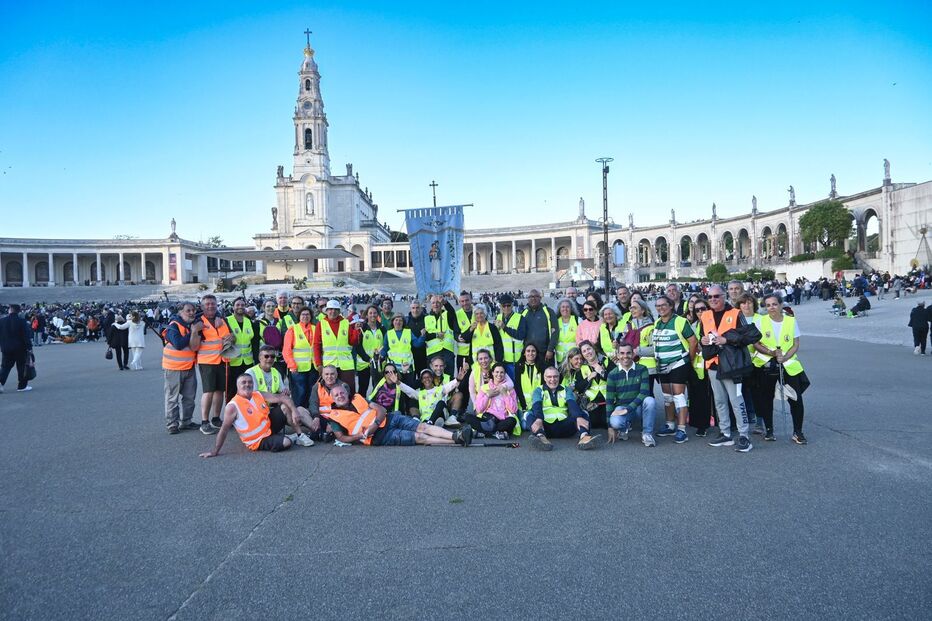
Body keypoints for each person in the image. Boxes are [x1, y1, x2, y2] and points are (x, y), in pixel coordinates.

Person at [698, 285, 762, 453]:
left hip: (732, 365)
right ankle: (725, 432)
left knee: (736, 400)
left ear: (724, 296)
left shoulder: (735, 313)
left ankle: (744, 435)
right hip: (713, 364)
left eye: (716, 296)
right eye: (710, 297)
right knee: (719, 401)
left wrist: (727, 340)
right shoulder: (705, 315)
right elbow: (702, 337)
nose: (713, 299)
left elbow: (748, 336)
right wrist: (703, 341)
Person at [323, 383, 473, 446]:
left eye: (342, 392)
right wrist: (359, 436)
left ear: (346, 392)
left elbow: (381, 409)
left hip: (389, 419)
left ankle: (455, 435)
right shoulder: (334, 416)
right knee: (420, 438)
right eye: (336, 395)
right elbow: (341, 437)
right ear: (332, 398)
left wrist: (375, 424)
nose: (340, 396)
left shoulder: (357, 397)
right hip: (380, 437)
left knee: (423, 427)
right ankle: (457, 440)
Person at [198, 374, 308, 457]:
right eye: (243, 382)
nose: (247, 384)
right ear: (237, 386)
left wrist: (294, 411)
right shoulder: (232, 406)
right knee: (286, 442)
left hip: (268, 428)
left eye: (250, 382)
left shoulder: (257, 394)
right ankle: (290, 438)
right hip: (257, 440)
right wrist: (215, 451)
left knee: (285, 406)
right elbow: (224, 430)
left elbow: (282, 397)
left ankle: (300, 435)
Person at [751, 294, 809, 444]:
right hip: (767, 363)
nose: (772, 307)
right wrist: (771, 353)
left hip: (787, 363)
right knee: (766, 398)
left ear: (781, 305)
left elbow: (795, 343)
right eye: (768, 305)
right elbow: (755, 343)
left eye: (774, 304)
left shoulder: (791, 321)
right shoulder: (760, 321)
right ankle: (769, 430)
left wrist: (786, 357)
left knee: (795, 398)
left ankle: (798, 432)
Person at [247, 345, 315, 446]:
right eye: (266, 356)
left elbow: (283, 393)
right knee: (287, 407)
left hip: (272, 413)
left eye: (272, 356)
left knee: (300, 409)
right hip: (258, 418)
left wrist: (285, 393)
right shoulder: (251, 372)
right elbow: (256, 395)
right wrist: (281, 398)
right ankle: (299, 435)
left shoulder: (276, 372)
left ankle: (318, 431)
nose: (270, 359)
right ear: (259, 358)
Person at [651, 295, 697, 444]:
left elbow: (693, 341)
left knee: (679, 397)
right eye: (658, 306)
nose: (661, 308)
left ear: (671, 306)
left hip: (678, 363)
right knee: (667, 397)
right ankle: (670, 425)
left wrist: (689, 360)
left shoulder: (680, 321)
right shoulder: (657, 323)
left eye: (664, 305)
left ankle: (682, 430)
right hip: (662, 365)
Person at [525, 366, 601, 451]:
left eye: (555, 376)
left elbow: (572, 404)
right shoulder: (538, 390)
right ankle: (541, 438)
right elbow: (537, 406)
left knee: (582, 413)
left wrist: (578, 417)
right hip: (545, 427)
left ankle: (584, 437)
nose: (553, 379)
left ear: (559, 377)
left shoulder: (566, 389)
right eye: (549, 377)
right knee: (529, 414)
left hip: (565, 426)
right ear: (544, 378)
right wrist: (539, 419)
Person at [606, 343, 656, 447]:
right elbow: (609, 401)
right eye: (622, 353)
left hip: (639, 408)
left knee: (650, 401)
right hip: (622, 407)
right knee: (615, 422)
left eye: (628, 353)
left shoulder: (642, 369)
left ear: (633, 354)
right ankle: (624, 428)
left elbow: (644, 393)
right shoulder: (612, 374)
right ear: (617, 355)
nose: (625, 356)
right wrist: (609, 426)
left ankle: (647, 434)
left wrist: (628, 409)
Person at [161, 302, 199, 433]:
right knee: (172, 398)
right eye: (188, 310)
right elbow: (178, 344)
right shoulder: (173, 326)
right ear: (180, 312)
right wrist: (193, 332)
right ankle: (172, 424)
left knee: (189, 397)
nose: (192, 313)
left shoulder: (191, 325)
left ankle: (186, 421)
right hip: (174, 368)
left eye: (193, 310)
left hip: (189, 366)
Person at [464, 362, 520, 439]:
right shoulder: (484, 388)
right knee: (467, 417)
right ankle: (496, 433)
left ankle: (484, 433)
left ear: (505, 374)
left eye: (502, 372)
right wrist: (487, 395)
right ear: (492, 373)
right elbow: (479, 409)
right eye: (497, 372)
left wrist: (505, 394)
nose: (499, 374)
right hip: (487, 418)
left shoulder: (510, 389)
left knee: (512, 421)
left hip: (502, 419)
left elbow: (513, 410)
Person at [398, 365, 468, 426]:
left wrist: (458, 379)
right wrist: (397, 382)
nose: (427, 379)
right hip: (426, 418)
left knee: (441, 403)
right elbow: (408, 390)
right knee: (412, 401)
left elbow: (450, 385)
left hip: (439, 416)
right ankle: (431, 423)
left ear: (432, 378)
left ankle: (432, 423)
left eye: (429, 377)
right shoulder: (420, 393)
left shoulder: (440, 389)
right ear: (421, 380)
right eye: (424, 378)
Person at [314, 299, 361, 388]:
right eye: (330, 309)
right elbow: (316, 345)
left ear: (339, 311)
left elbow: (352, 342)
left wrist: (356, 331)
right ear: (326, 311)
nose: (333, 311)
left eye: (336, 309)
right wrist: (318, 364)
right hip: (329, 364)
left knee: (348, 390)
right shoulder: (321, 324)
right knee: (330, 390)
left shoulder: (346, 323)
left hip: (346, 365)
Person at [685, 298, 713, 437]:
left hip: (713, 363)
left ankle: (723, 424)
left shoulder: (713, 322)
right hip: (697, 365)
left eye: (703, 308)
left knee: (716, 397)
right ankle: (700, 424)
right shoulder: (693, 325)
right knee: (698, 396)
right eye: (697, 310)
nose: (700, 312)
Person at [283, 306, 317, 408]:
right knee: (299, 392)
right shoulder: (293, 329)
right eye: (303, 314)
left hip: (313, 367)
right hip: (297, 368)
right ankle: (298, 412)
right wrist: (292, 365)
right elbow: (287, 350)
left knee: (311, 392)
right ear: (299, 316)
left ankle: (310, 411)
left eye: (307, 314)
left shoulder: (316, 329)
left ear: (311, 316)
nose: (305, 316)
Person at [225, 297, 256, 401]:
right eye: (237, 305)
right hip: (232, 361)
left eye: (242, 305)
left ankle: (245, 408)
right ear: (233, 307)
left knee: (246, 389)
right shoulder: (227, 320)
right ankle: (230, 409)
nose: (240, 307)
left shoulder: (248, 321)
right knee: (232, 389)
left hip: (247, 361)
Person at [622, 299, 655, 391]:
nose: (632, 310)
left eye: (635, 308)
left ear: (643, 310)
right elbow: (623, 343)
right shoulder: (628, 325)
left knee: (647, 394)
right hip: (631, 366)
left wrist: (637, 351)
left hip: (648, 368)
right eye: (631, 308)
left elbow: (655, 349)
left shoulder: (651, 327)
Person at [0, 304, 33, 393]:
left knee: (5, 367)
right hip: (20, 348)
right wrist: (29, 347)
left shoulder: (2, 321)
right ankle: (22, 386)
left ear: (10, 310)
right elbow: (26, 336)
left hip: (6, 348)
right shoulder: (22, 321)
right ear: (18, 311)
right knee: (21, 367)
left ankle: (0, 383)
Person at [382, 313, 422, 385]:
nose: (398, 322)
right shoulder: (388, 333)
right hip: (393, 367)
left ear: (403, 322)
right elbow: (385, 348)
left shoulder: (408, 332)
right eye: (396, 320)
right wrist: (379, 356)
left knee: (407, 388)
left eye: (400, 320)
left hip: (407, 367)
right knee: (395, 388)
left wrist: (423, 336)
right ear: (393, 322)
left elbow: (417, 344)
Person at [354, 305, 384, 397]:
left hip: (377, 363)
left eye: (375, 313)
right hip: (364, 363)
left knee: (377, 388)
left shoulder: (382, 328)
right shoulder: (362, 328)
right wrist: (368, 359)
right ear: (366, 315)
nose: (372, 315)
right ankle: (361, 405)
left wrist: (380, 357)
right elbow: (358, 346)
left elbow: (385, 345)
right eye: (370, 313)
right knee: (363, 388)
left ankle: (375, 404)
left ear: (378, 314)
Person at [494, 294, 526, 381]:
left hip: (515, 359)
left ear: (512, 305)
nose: (506, 308)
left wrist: (505, 327)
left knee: (515, 383)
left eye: (508, 305)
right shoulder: (498, 317)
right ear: (500, 306)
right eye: (504, 306)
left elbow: (521, 335)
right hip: (502, 358)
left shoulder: (520, 318)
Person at [521, 289, 557, 364]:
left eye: (536, 296)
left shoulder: (549, 311)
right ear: (528, 299)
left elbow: (555, 331)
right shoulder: (523, 313)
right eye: (531, 296)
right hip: (530, 354)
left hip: (545, 353)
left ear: (540, 298)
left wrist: (550, 349)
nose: (533, 299)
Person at [424, 294, 455, 376]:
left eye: (438, 302)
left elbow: (452, 312)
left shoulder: (447, 314)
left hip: (447, 351)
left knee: (448, 377)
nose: (436, 304)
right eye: (433, 302)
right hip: (432, 352)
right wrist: (436, 335)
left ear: (441, 304)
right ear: (431, 304)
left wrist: (446, 302)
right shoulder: (426, 318)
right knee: (433, 377)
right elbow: (424, 336)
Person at [515, 343, 544, 417]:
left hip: (539, 404)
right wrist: (523, 406)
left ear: (536, 353)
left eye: (533, 351)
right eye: (528, 351)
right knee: (525, 423)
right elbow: (517, 387)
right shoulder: (518, 366)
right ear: (524, 353)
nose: (531, 353)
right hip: (523, 405)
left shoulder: (542, 366)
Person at [406, 299, 428, 373]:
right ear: (410, 309)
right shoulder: (406, 321)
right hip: (410, 355)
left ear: (421, 308)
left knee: (423, 376)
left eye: (417, 308)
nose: (415, 310)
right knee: (411, 378)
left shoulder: (427, 319)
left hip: (424, 355)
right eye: (413, 308)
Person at [554, 298, 579, 365]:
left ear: (571, 309)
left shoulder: (577, 320)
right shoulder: (555, 321)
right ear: (559, 309)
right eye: (563, 307)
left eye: (567, 307)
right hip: (560, 358)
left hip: (574, 357)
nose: (565, 309)